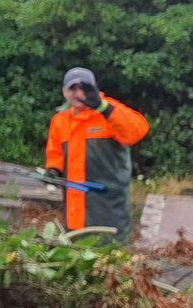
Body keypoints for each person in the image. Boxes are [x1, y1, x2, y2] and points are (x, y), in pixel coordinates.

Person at [45, 67, 150, 242]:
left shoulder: (109, 110)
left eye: (84, 88)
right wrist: (53, 170)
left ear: (93, 88)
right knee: (77, 254)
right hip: (75, 207)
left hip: (109, 202)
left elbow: (136, 131)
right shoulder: (60, 120)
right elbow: (55, 152)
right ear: (64, 92)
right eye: (73, 88)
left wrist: (104, 108)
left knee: (110, 252)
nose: (78, 93)